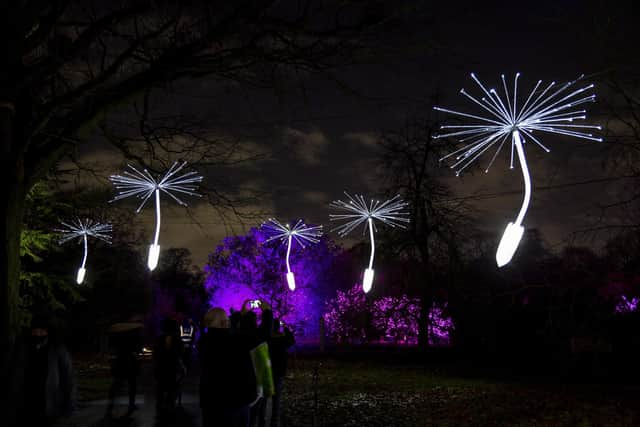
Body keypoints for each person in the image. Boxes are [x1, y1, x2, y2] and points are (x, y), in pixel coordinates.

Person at [11, 315, 75, 426]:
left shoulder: (58, 350)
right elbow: (13, 373)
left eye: (42, 331)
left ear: (48, 332)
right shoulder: (22, 349)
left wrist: (69, 406)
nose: (38, 334)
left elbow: (68, 379)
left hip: (49, 406)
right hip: (25, 406)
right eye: (35, 331)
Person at [199, 308, 257, 427]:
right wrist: (266, 312)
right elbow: (258, 337)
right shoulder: (232, 341)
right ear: (224, 323)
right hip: (235, 400)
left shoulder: (204, 341)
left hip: (211, 400)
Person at [106, 323, 143, 417]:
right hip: (130, 361)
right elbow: (137, 349)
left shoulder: (117, 337)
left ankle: (110, 407)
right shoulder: (133, 338)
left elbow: (113, 348)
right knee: (132, 384)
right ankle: (131, 404)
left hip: (120, 361)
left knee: (116, 384)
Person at [267, 319, 295, 427]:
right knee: (276, 398)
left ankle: (264, 419)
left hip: (268, 370)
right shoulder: (282, 340)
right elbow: (292, 340)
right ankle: (274, 421)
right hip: (279, 372)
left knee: (265, 397)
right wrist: (285, 327)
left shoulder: (267, 339)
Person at [153, 317, 184, 415]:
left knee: (161, 387)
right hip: (172, 367)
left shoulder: (159, 339)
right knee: (171, 386)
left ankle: (161, 406)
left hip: (162, 367)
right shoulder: (177, 339)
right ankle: (169, 405)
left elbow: (156, 354)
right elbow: (180, 353)